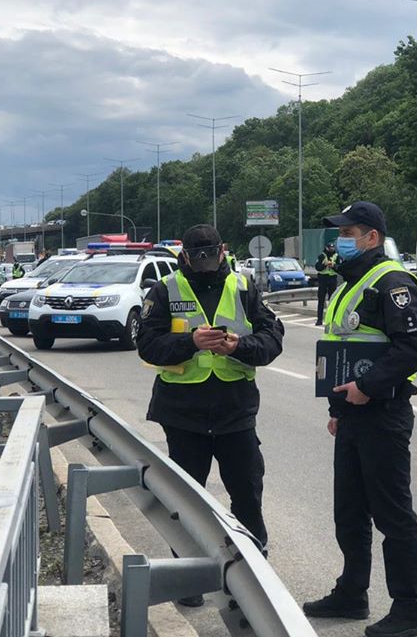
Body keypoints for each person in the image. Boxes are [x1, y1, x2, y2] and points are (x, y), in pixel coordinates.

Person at [303, 201, 417, 637]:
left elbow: (414, 348)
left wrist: (368, 389)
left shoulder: (392, 281)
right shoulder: (348, 282)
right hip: (353, 417)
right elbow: (345, 350)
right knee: (350, 513)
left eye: (349, 231)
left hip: (384, 413)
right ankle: (352, 593)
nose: (340, 239)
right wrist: (339, 409)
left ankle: (410, 610)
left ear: (371, 237)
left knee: (393, 516)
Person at [137, 224, 284, 607]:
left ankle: (252, 581)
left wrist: (240, 346)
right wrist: (190, 342)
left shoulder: (243, 286)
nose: (204, 263)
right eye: (196, 257)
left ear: (223, 249)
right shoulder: (165, 289)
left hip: (235, 412)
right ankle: (188, 581)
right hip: (183, 415)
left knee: (247, 496)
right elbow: (147, 345)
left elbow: (273, 340)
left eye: (210, 255)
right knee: (187, 501)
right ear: (184, 255)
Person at [314, 241, 339, 326]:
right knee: (321, 300)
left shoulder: (336, 256)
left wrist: (333, 266)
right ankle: (319, 320)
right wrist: (325, 265)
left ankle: (332, 320)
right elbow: (317, 267)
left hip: (332, 279)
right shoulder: (321, 256)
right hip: (322, 279)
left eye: (333, 248)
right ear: (327, 248)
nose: (331, 249)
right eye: (330, 248)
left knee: (332, 300)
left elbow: (340, 268)